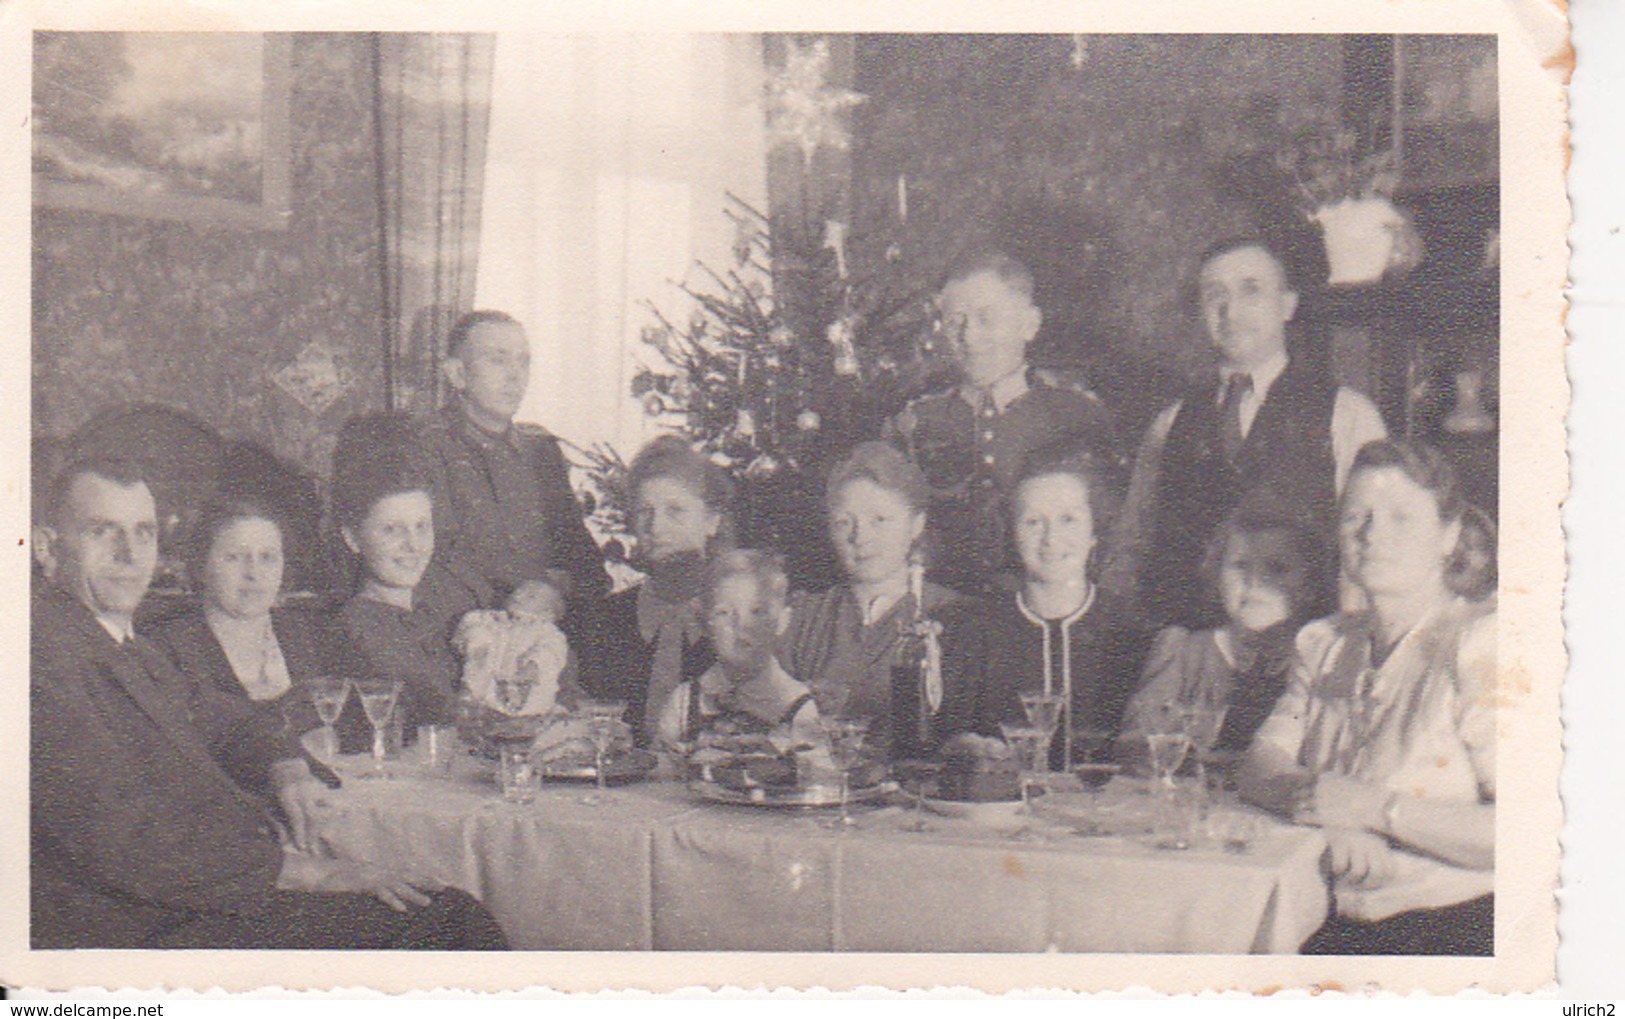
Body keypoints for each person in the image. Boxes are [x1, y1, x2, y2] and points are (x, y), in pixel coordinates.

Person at [30, 456, 507, 949]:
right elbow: (123, 839)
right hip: (136, 929)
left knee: (443, 908)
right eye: (103, 533)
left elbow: (227, 721)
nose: (130, 555)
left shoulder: (123, 644)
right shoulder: (37, 661)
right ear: (45, 547)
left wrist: (286, 768)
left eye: (144, 533)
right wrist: (311, 874)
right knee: (445, 921)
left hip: (194, 896)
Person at [1238, 439, 1496, 956]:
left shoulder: (1484, 642)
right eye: (1357, 515)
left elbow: (1535, 830)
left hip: (1454, 933)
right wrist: (1325, 808)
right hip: (1330, 923)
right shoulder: (1327, 642)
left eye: (1401, 518)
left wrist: (1375, 811)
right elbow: (1258, 763)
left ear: (1449, 536)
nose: (1373, 534)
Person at [1110, 237, 1387, 629]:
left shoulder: (1348, 415)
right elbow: (1132, 549)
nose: (1231, 311)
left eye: (1250, 290)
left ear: (1287, 305)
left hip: (1305, 653)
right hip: (1193, 657)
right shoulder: (1169, 424)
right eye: (1215, 296)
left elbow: (1368, 550)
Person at [887, 251, 1114, 596]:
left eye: (986, 318)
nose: (970, 336)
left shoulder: (1076, 416)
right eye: (955, 322)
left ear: (1029, 325)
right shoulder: (916, 422)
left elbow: (1110, 534)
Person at [945, 454, 1146, 769]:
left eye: (1068, 519)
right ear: (1011, 534)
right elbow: (952, 739)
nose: (1051, 539)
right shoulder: (975, 630)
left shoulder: (1132, 630)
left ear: (1096, 530)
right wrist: (966, 749)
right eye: (1033, 522)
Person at [786, 442, 976, 754]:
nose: (860, 537)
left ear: (916, 525)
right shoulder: (804, 616)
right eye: (844, 522)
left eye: (880, 520)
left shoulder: (954, 616)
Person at [424, 309, 610, 619]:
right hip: (459, 628)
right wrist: (529, 591)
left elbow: (586, 564)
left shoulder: (541, 451)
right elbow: (434, 560)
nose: (515, 375)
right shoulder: (425, 448)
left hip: (547, 627)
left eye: (523, 361)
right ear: (457, 374)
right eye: (497, 360)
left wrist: (558, 593)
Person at [151, 496, 360, 751]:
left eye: (268, 557)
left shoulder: (308, 634)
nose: (253, 573)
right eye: (235, 557)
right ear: (201, 564)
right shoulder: (169, 647)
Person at [1116, 506, 1321, 764]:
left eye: (1277, 568)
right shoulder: (1182, 650)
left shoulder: (1319, 661)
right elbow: (1135, 746)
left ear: (1309, 585)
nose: (1255, 581)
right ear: (1215, 574)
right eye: (1240, 566)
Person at [333, 413, 490, 734]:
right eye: (392, 530)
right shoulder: (360, 628)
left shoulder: (438, 611)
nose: (414, 545)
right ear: (352, 538)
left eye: (422, 527)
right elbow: (446, 716)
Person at [571, 435, 731, 746]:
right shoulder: (604, 620)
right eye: (645, 511)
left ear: (712, 521)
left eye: (675, 511)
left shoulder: (738, 623)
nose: (655, 526)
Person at [655, 549, 821, 747]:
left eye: (757, 612)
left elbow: (813, 773)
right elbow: (661, 771)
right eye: (723, 613)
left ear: (782, 621)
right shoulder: (684, 701)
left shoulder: (797, 705)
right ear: (704, 624)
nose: (741, 626)